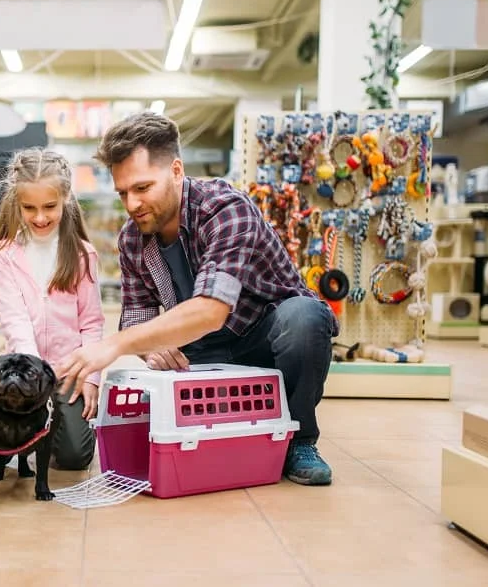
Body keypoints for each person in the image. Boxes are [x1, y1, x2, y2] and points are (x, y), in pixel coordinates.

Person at [55, 112, 338, 486]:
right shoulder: (132, 239)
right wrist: (148, 348)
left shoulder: (225, 208)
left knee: (305, 318)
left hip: (264, 335)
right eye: (123, 192)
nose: (132, 203)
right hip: (202, 351)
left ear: (175, 171)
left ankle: (300, 439)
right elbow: (136, 314)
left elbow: (211, 310)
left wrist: (116, 345)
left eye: (142, 187)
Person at [0, 148, 105, 471]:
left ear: (65, 198)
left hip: (69, 373)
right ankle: (35, 429)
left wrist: (90, 378)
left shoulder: (82, 255)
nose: (39, 217)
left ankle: (56, 428)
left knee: (74, 457)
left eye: (50, 207)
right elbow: (15, 323)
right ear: (16, 204)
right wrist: (31, 383)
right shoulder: (4, 256)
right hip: (23, 374)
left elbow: (92, 323)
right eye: (29, 208)